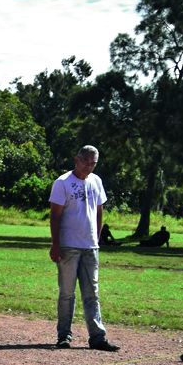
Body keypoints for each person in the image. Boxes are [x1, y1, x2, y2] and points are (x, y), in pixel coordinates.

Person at [49, 145, 119, 351]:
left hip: (90, 247)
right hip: (68, 246)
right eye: (86, 162)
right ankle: (64, 336)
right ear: (76, 159)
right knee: (67, 293)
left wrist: (96, 239)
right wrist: (55, 244)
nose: (89, 167)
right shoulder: (62, 183)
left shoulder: (96, 181)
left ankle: (97, 337)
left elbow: (99, 211)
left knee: (92, 293)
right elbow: (55, 216)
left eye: (93, 163)